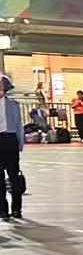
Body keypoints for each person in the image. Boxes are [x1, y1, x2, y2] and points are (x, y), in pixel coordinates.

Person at [0, 76, 24, 221]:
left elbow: (19, 125)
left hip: (10, 140)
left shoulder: (14, 105)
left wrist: (20, 144)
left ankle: (16, 209)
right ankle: (2, 210)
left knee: (14, 177)